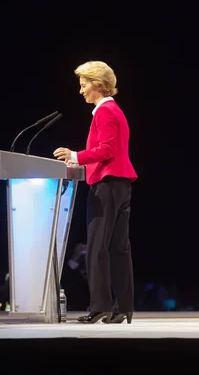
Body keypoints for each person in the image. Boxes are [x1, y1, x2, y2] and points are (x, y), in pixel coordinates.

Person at [53, 61, 137, 324]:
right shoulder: (115, 111)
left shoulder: (105, 111)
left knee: (98, 247)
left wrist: (76, 156)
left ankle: (100, 306)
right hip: (120, 184)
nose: (81, 91)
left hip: (107, 184)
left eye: (84, 85)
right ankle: (123, 307)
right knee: (118, 247)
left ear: (98, 85)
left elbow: (107, 149)